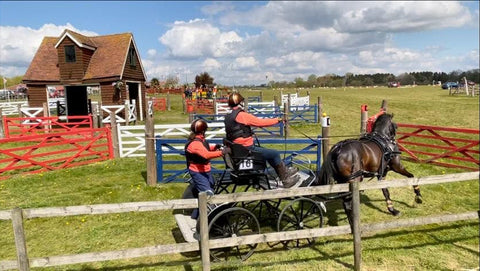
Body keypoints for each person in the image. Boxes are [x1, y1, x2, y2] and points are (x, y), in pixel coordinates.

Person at [224, 92, 301, 188]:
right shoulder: (242, 115)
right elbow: (260, 122)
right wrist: (277, 120)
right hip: (247, 150)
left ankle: (284, 171)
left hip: (239, 150)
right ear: (240, 103)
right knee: (274, 153)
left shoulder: (228, 116)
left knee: (269, 154)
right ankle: (286, 180)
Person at [185, 119, 224, 219]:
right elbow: (206, 154)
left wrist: (215, 146)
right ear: (203, 131)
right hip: (198, 172)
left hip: (204, 171)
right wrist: (222, 153)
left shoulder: (200, 140)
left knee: (205, 191)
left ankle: (195, 216)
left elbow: (205, 147)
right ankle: (206, 220)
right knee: (208, 195)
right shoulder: (195, 144)